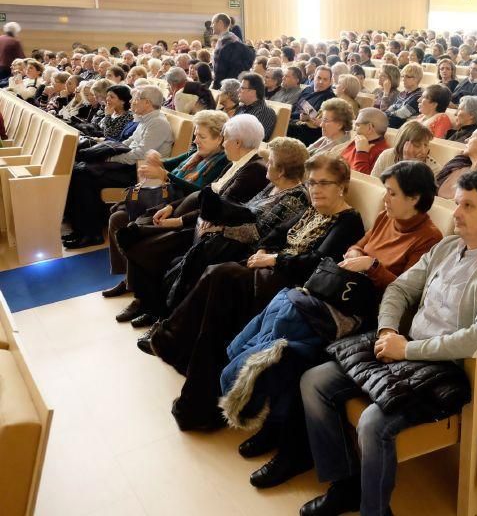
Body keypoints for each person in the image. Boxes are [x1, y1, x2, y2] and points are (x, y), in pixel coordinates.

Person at [299, 169, 477, 516]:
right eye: (456, 204)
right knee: (314, 381)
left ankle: (373, 510)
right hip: (403, 346)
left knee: (374, 423)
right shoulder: (448, 246)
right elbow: (400, 288)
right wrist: (388, 330)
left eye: (468, 206)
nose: (456, 213)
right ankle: (344, 484)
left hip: (445, 368)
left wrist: (407, 349)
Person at [217, 160, 444, 488]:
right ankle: (274, 425)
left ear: (415, 198)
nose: (385, 199)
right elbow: (360, 244)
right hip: (339, 299)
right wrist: (356, 253)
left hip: (371, 315)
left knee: (297, 354)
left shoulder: (429, 238)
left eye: (392, 193)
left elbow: (408, 296)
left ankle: (290, 448)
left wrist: (373, 267)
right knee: (287, 317)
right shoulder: (386, 217)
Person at [142, 154, 365, 433]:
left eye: (324, 183)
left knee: (220, 275)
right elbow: (276, 235)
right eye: (311, 183)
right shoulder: (313, 210)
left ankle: (172, 343)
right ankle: (195, 396)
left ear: (342, 185)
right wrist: (264, 250)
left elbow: (317, 263)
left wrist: (273, 260)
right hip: (268, 275)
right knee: (216, 290)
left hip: (292, 289)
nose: (316, 189)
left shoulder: (348, 220)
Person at [124, 137, 311, 328]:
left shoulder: (295, 199)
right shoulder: (273, 184)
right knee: (179, 262)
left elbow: (260, 233)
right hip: (230, 240)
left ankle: (168, 323)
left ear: (281, 171)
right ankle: (157, 313)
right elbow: (245, 210)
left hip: (248, 252)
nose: (267, 164)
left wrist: (221, 227)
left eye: (270, 161)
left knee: (189, 265)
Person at [103, 111, 231, 297]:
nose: (196, 140)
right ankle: (128, 278)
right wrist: (156, 160)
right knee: (117, 218)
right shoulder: (195, 154)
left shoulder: (221, 162)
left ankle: (136, 286)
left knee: (128, 224)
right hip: (165, 202)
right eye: (195, 135)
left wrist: (165, 176)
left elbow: (198, 192)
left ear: (220, 139)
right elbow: (169, 164)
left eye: (201, 136)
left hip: (180, 209)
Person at [62, 85, 175, 249]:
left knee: (84, 176)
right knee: (79, 169)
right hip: (130, 164)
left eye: (136, 99)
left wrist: (108, 157)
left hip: (140, 171)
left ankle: (91, 233)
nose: (132, 102)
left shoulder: (158, 123)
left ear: (147, 103)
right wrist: (106, 153)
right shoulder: (146, 119)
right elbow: (126, 144)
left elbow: (139, 154)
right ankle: (80, 228)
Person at [371, 120, 440, 178]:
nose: (423, 151)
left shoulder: (434, 169)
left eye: (426, 145)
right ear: (403, 143)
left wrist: (409, 164)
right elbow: (374, 184)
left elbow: (410, 192)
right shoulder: (387, 155)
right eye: (417, 145)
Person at [290, 65, 337, 144]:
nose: (321, 82)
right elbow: (296, 107)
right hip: (294, 121)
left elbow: (320, 120)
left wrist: (308, 117)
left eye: (325, 79)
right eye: (319, 78)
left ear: (330, 82)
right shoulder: (307, 89)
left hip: (309, 130)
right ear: (314, 77)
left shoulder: (330, 98)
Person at [341, 107, 390, 174]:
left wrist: (361, 152)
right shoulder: (359, 140)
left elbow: (363, 180)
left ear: (369, 127)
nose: (354, 129)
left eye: (358, 125)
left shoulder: (383, 154)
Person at [211, 13, 253, 89]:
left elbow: (227, 68)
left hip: (227, 86)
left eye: (213, 23)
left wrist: (216, 86)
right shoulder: (230, 39)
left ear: (220, 23)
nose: (211, 26)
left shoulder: (230, 43)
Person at [236, 72, 277, 141]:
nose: (238, 90)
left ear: (253, 91)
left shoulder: (265, 112)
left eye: (242, 88)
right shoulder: (241, 108)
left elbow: (254, 140)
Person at [384, 63, 424, 129]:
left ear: (416, 79)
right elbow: (392, 107)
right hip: (391, 122)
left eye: (407, 77)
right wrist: (384, 114)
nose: (403, 79)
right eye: (403, 76)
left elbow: (401, 114)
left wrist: (383, 115)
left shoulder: (418, 96)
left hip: (402, 127)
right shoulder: (402, 93)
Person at [0, 22, 25, 86]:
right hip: (7, 69)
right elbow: (21, 58)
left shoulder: (1, 38)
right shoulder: (15, 42)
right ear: (15, 31)